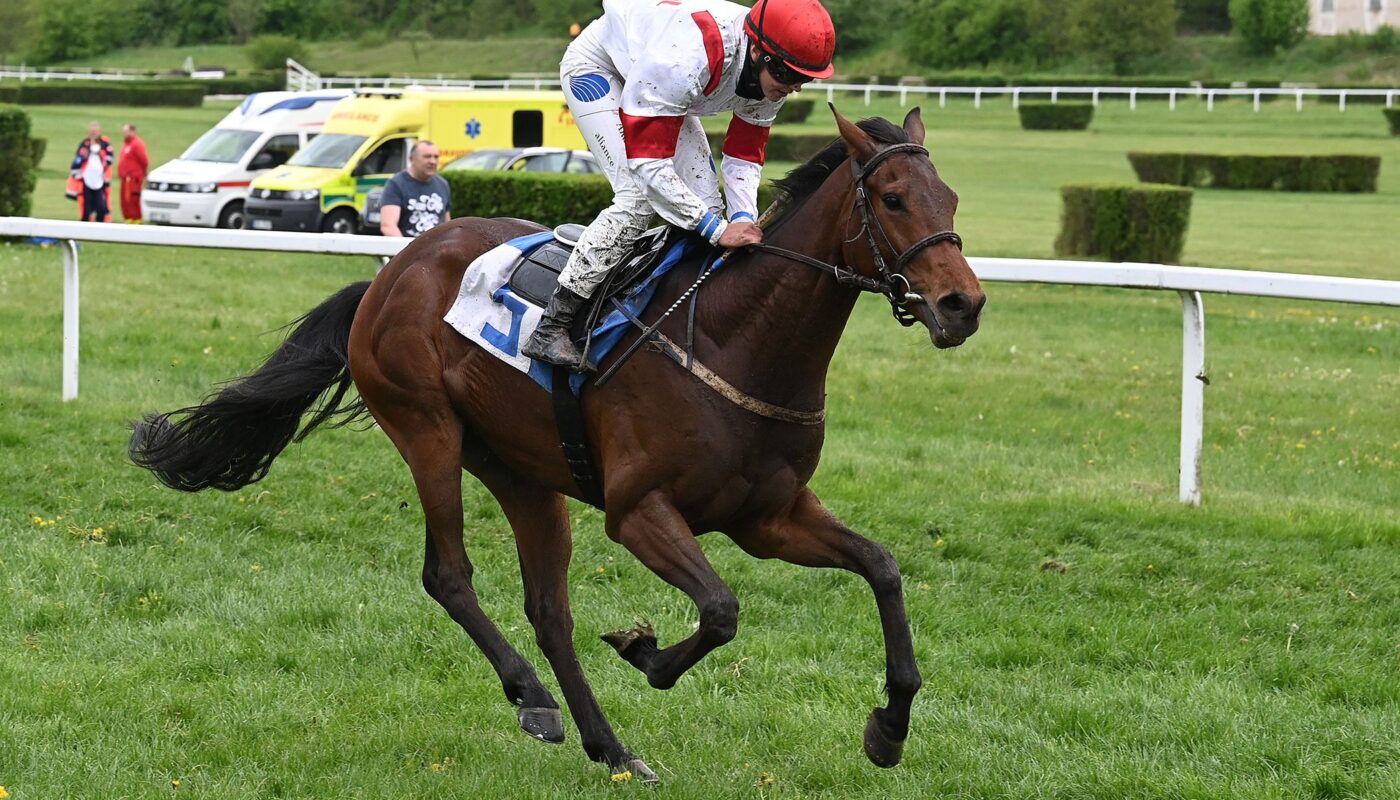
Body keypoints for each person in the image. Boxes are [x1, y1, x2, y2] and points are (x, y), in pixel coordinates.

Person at [521, 0, 836, 370]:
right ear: (757, 52)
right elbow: (648, 164)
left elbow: (743, 156)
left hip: (662, 88)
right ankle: (552, 325)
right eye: (788, 76)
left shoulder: (769, 73)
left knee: (708, 205)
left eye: (805, 79)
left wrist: (741, 218)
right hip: (603, 68)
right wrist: (716, 229)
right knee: (638, 200)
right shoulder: (688, 57)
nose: (794, 88)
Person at [379, 140, 452, 238]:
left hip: (436, 251)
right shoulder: (396, 184)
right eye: (427, 156)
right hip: (408, 249)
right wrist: (406, 250)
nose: (432, 161)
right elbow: (388, 226)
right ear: (412, 159)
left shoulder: (442, 184)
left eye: (436, 157)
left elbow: (447, 224)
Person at [69, 122, 114, 222]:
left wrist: (100, 154)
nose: (93, 133)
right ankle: (85, 226)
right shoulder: (85, 144)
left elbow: (109, 159)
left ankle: (100, 225)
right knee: (86, 207)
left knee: (101, 206)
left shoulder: (105, 144)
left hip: (100, 180)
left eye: (95, 131)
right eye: (92, 131)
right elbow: (78, 159)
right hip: (86, 180)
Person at [118, 123, 149, 223]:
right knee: (125, 201)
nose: (125, 133)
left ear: (132, 131)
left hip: (133, 178)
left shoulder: (137, 144)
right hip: (125, 178)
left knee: (133, 200)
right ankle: (128, 220)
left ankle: (136, 221)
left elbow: (144, 160)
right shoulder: (127, 144)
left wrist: (142, 173)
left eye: (127, 131)